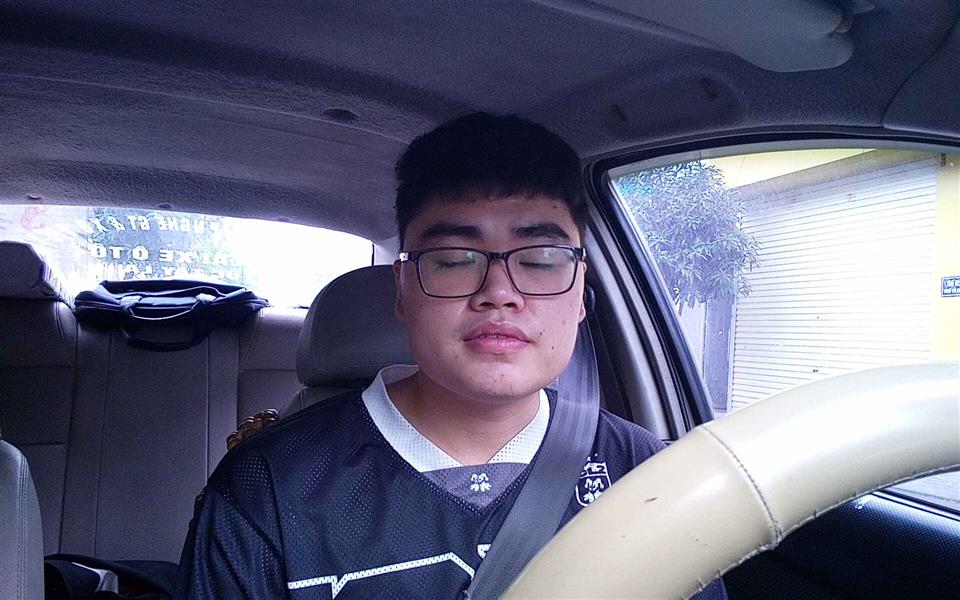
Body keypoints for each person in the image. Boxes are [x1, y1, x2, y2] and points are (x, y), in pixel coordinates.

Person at [176, 112, 727, 599]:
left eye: (541, 259)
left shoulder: (645, 473)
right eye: (455, 259)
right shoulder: (266, 489)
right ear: (402, 290)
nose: (499, 292)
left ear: (581, 291)